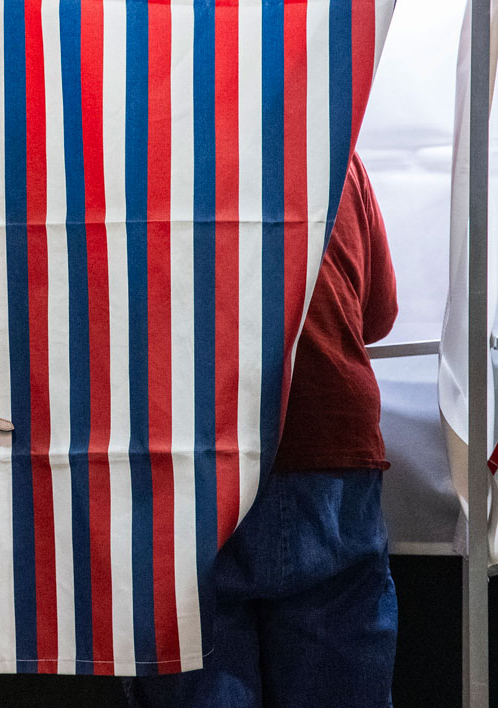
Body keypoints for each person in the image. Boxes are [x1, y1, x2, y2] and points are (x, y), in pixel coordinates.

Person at [126, 152, 399, 708]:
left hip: (192, 449)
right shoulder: (335, 149)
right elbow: (377, 314)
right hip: (326, 436)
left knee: (200, 679)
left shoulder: (150, 146)